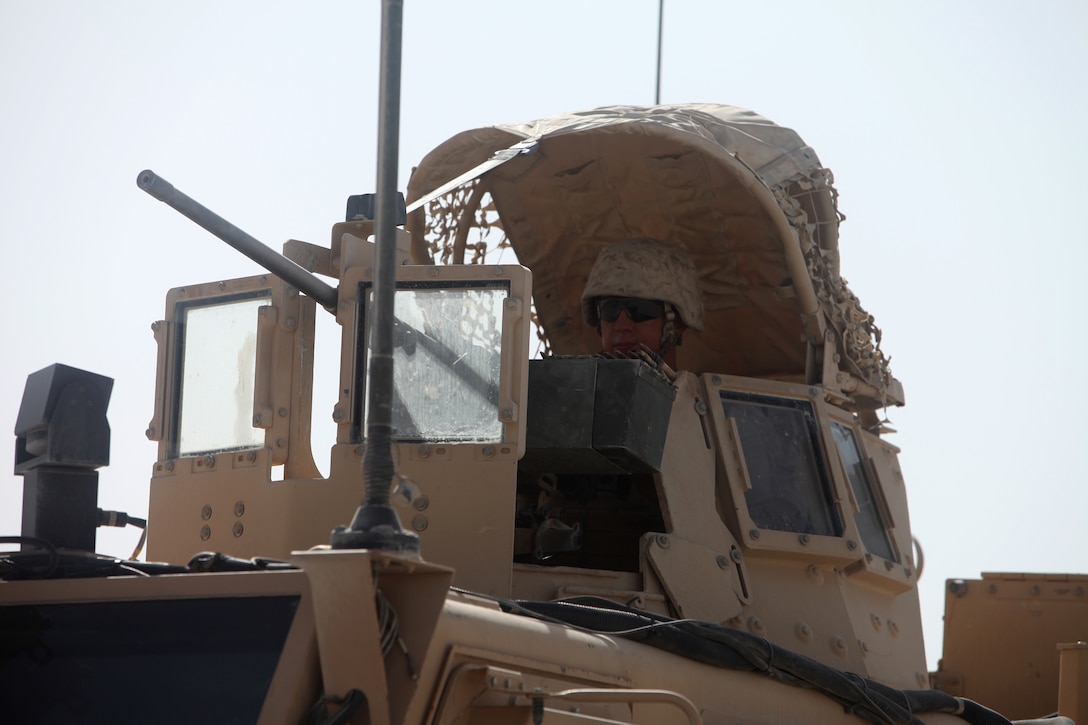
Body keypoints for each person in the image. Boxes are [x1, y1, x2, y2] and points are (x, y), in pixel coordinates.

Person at [580, 238, 704, 370]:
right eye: (609, 310)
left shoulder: (704, 391)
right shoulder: (572, 389)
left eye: (638, 310)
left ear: (677, 322)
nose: (621, 326)